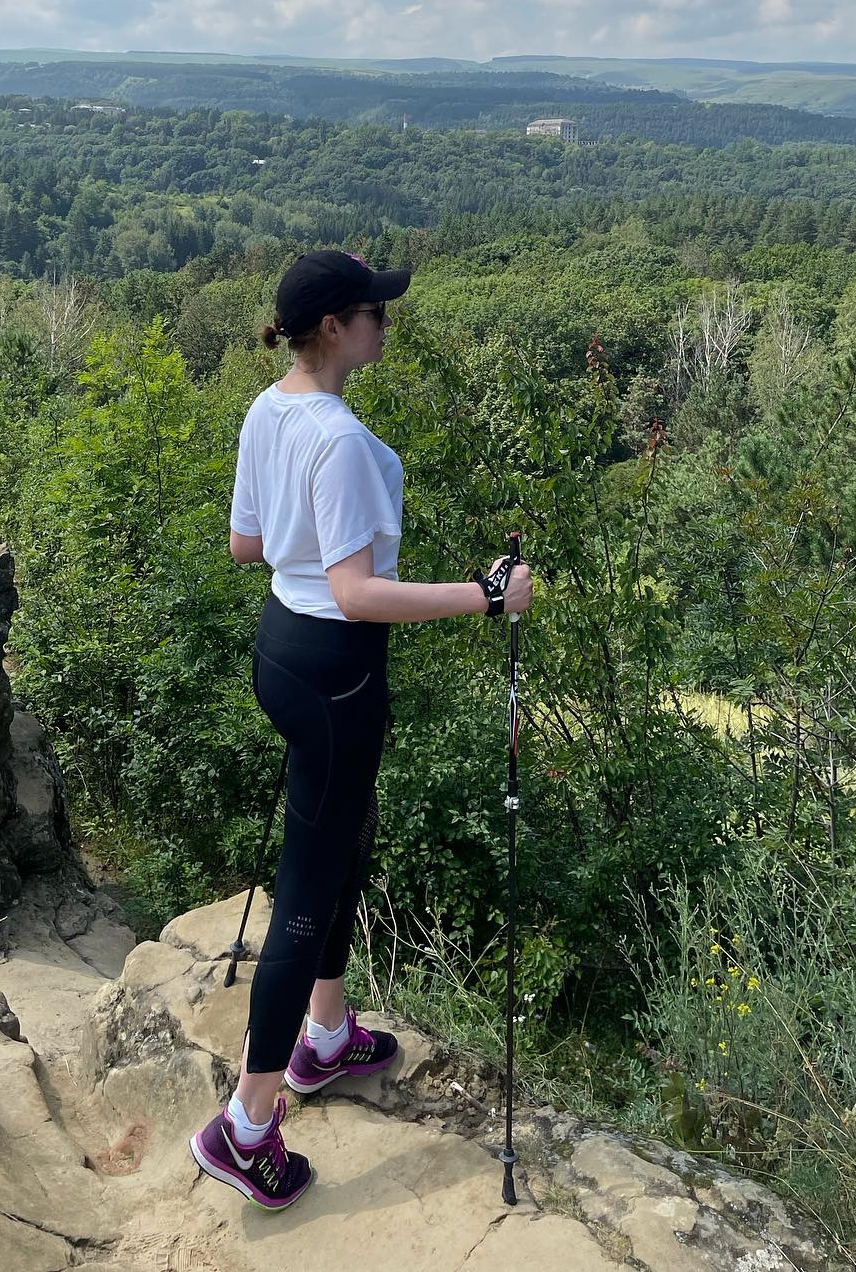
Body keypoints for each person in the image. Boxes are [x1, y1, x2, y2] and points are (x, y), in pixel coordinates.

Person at [189, 248, 533, 1209]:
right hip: (337, 668)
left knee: (346, 838)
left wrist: (311, 544)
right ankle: (246, 1125)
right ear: (335, 327)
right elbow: (355, 592)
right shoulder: (336, 438)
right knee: (307, 889)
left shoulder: (270, 407)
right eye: (376, 310)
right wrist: (486, 596)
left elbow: (247, 544)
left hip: (283, 650)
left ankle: (328, 1035)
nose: (388, 320)